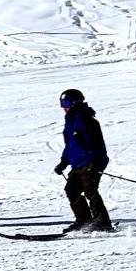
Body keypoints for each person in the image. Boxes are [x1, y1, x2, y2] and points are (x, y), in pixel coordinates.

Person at [56, 87, 114, 233]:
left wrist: (94, 162)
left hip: (92, 161)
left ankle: (102, 222)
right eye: (63, 105)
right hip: (78, 163)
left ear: (75, 103)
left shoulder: (86, 119)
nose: (64, 108)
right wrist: (63, 163)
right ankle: (84, 220)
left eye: (67, 104)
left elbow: (95, 143)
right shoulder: (70, 122)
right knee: (71, 189)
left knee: (90, 190)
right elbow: (70, 145)